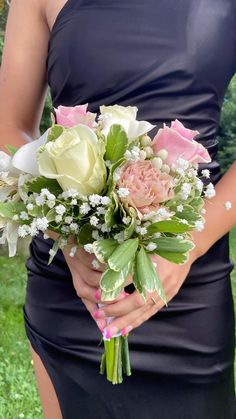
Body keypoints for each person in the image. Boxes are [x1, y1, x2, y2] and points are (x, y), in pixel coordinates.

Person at [0, 0, 236, 418]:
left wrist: (190, 242)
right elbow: (10, 126)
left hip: (188, 290)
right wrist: (70, 237)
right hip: (75, 290)